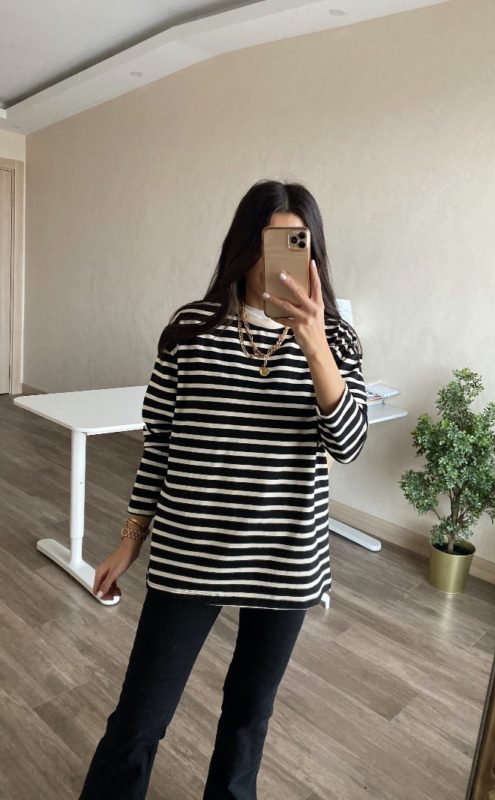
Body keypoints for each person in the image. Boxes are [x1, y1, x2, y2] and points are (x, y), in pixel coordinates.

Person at [78, 179, 369, 800]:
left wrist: (314, 343)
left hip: (285, 561)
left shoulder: (337, 340)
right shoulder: (189, 330)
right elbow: (159, 446)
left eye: (298, 244)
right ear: (245, 245)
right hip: (190, 555)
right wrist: (130, 540)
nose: (284, 259)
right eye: (272, 242)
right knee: (139, 720)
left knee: (246, 721)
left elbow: (347, 443)